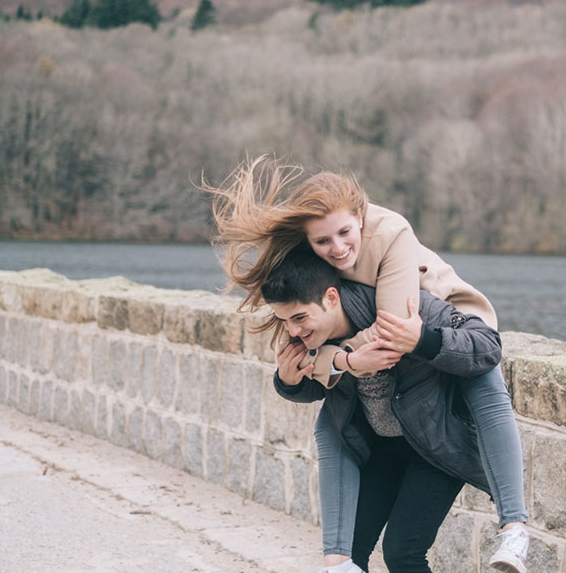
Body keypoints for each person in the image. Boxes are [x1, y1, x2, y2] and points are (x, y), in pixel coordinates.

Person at [204, 157, 529, 573]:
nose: (337, 249)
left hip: (447, 319)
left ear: (360, 218)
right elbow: (307, 363)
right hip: (392, 425)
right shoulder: (312, 282)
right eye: (323, 241)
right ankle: (337, 561)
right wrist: (293, 379)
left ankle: (514, 527)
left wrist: (340, 359)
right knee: (332, 433)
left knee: (485, 389)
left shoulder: (390, 233)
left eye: (344, 233)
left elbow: (392, 336)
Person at [267, 245, 500, 572]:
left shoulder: (403, 310)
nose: (293, 331)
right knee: (346, 552)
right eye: (284, 321)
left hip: (435, 449)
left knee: (402, 553)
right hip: (382, 450)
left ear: (331, 298)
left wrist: (422, 340)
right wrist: (289, 382)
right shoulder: (313, 337)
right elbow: (318, 386)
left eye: (299, 318)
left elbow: (488, 346)